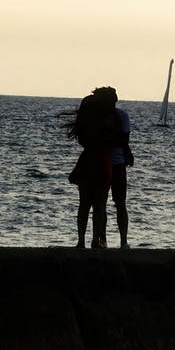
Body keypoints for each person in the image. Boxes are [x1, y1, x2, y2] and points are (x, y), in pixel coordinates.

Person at [62, 88, 117, 248]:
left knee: (84, 203)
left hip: (87, 160)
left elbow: (82, 140)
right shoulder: (107, 120)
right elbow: (113, 140)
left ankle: (81, 240)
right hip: (101, 161)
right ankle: (95, 240)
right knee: (99, 204)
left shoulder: (87, 121)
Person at [92, 86, 133, 249]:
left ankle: (123, 240)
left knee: (120, 202)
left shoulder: (121, 116)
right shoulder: (96, 118)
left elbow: (124, 140)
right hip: (101, 162)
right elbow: (122, 140)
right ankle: (102, 239)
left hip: (117, 163)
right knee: (100, 203)